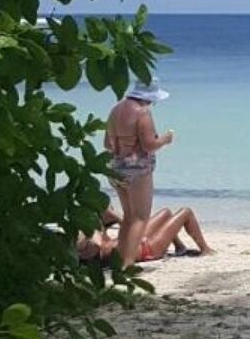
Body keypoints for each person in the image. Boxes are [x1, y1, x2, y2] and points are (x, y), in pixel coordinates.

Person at [106, 82, 173, 268]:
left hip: (115, 166)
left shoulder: (116, 109)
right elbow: (149, 145)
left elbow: (107, 143)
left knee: (128, 216)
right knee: (140, 217)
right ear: (148, 97)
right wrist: (165, 140)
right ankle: (128, 264)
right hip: (137, 169)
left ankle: (120, 258)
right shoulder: (143, 113)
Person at [78, 206, 213, 264]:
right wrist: (114, 215)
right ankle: (205, 250)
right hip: (148, 248)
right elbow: (124, 222)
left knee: (166, 213)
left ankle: (179, 247)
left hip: (134, 241)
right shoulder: (98, 245)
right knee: (186, 212)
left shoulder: (95, 245)